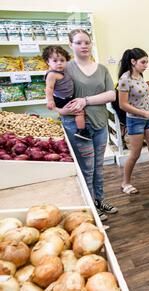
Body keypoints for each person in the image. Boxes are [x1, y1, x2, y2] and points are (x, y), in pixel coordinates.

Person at [55, 29, 118, 220]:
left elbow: (111, 94)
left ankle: (100, 200)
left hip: (99, 124)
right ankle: (90, 207)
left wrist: (86, 100)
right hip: (76, 127)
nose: (84, 46)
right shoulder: (64, 69)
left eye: (87, 42)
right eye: (79, 42)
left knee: (98, 166)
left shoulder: (102, 69)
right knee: (86, 168)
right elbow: (53, 98)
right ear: (70, 45)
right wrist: (62, 111)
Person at [118, 48, 149, 194]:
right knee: (135, 154)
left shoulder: (140, 76)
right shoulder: (125, 79)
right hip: (135, 120)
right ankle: (125, 183)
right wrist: (143, 112)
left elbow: (141, 97)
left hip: (148, 118)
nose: (146, 65)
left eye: (147, 62)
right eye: (143, 62)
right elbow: (123, 105)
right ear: (133, 62)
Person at [43, 45, 91, 141]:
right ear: (48, 62)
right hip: (62, 99)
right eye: (55, 61)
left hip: (68, 97)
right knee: (79, 112)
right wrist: (50, 101)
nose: (59, 63)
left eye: (62, 60)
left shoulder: (62, 71)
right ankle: (82, 131)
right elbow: (49, 88)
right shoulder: (52, 74)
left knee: (78, 111)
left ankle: (80, 129)